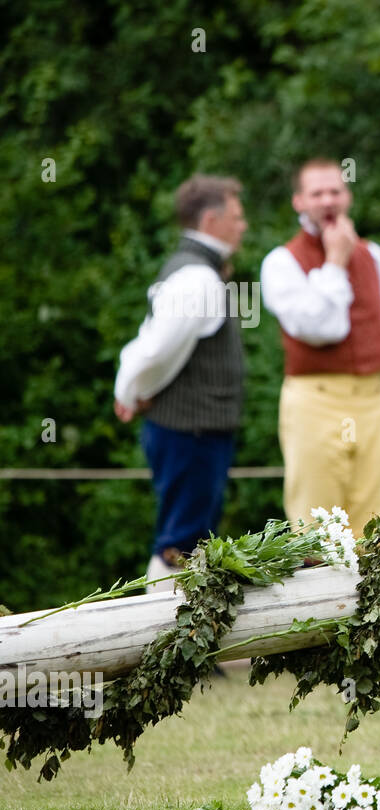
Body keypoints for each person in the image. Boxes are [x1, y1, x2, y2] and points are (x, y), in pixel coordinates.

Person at [114, 174, 247, 589]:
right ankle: (169, 647)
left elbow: (149, 340)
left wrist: (132, 389)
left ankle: (183, 647)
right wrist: (132, 392)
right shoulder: (196, 279)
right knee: (181, 545)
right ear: (211, 220)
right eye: (237, 217)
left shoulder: (196, 271)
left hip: (194, 431)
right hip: (189, 432)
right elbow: (155, 350)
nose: (243, 226)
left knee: (190, 540)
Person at [260, 159, 380, 531]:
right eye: (316, 193)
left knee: (373, 517)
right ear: (299, 202)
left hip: (373, 397)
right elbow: (322, 328)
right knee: (316, 519)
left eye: (335, 191)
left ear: (347, 196)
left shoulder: (375, 255)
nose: (327, 201)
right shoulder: (281, 262)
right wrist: (335, 261)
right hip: (315, 399)